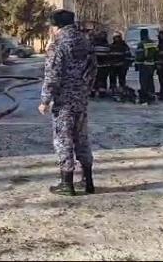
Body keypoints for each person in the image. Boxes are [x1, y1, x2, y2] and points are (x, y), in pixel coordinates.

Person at [39, 10, 96, 196]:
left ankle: (67, 183)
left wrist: (45, 100)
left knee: (63, 139)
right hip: (81, 99)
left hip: (64, 101)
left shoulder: (59, 44)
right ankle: (88, 181)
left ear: (56, 26)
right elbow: (94, 69)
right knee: (82, 138)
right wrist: (85, 90)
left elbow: (52, 74)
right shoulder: (85, 41)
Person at [134, 28, 158, 105]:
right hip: (151, 65)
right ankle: (151, 95)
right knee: (150, 81)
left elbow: (139, 56)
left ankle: (144, 97)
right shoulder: (152, 43)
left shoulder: (141, 44)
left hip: (144, 65)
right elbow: (156, 54)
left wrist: (137, 64)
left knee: (143, 82)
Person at [92, 31, 111, 98]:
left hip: (95, 66)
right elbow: (109, 56)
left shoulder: (93, 45)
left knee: (95, 79)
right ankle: (102, 92)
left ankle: (93, 92)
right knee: (102, 79)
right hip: (104, 66)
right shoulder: (107, 46)